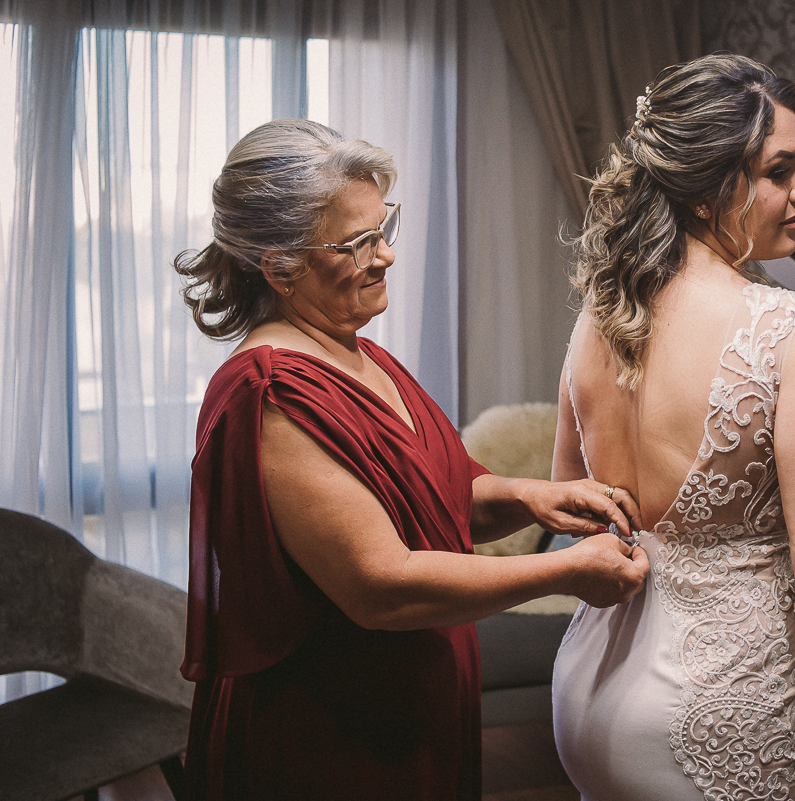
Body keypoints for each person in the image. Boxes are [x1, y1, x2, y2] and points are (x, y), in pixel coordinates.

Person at [175, 118, 649, 800]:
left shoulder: (360, 353)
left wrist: (528, 497)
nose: (386, 255)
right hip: (334, 736)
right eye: (358, 242)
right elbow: (381, 584)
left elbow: (429, 501)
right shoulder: (272, 391)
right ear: (279, 266)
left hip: (405, 710)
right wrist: (566, 570)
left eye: (384, 228)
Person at [550, 54, 795, 800]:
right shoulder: (791, 329)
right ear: (707, 189)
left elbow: (569, 500)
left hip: (591, 682)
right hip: (724, 704)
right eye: (779, 171)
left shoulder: (600, 317)